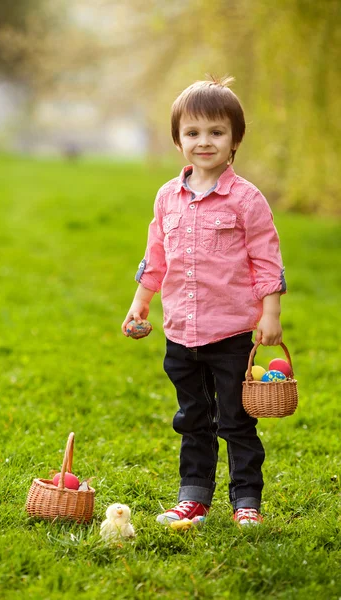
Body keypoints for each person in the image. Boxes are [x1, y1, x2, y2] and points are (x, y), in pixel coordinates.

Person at [121, 75, 286, 526]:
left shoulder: (247, 200)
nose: (204, 141)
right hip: (180, 332)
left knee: (235, 421)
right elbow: (155, 257)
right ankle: (193, 497)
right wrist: (140, 302)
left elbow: (267, 260)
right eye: (192, 133)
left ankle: (246, 501)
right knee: (192, 418)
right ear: (178, 140)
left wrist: (270, 313)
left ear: (235, 140)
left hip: (231, 332)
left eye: (216, 132)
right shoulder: (167, 198)